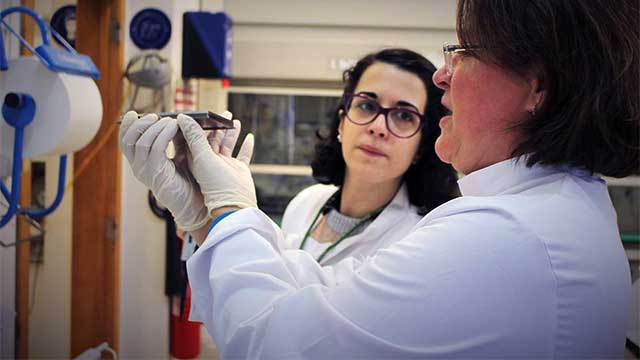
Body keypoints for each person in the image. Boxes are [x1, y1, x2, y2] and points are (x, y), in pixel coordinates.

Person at [119, 0, 639, 357]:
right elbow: (318, 298)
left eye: (466, 50)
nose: (444, 75)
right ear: (342, 116)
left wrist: (230, 212)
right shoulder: (308, 203)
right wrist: (206, 221)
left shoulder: (499, 236)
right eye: (366, 106)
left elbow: (279, 344)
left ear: (537, 86)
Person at [280, 48, 459, 265]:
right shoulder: (304, 203)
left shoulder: (418, 240)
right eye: (367, 105)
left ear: (421, 146)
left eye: (404, 116)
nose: (378, 127)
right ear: (343, 123)